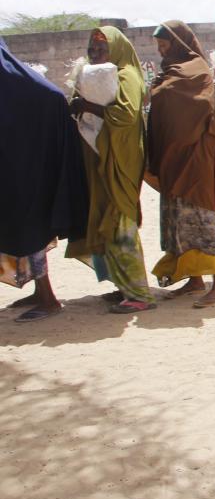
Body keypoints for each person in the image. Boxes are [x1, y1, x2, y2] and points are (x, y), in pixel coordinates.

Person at [66, 27, 156, 314]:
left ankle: (141, 293)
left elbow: (125, 115)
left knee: (121, 223)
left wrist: (87, 105)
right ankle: (123, 286)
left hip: (120, 159)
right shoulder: (98, 74)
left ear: (116, 49)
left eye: (101, 49)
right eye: (91, 49)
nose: (94, 54)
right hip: (103, 157)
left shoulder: (126, 75)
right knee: (108, 220)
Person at [1, 39, 88, 323]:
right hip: (18, 168)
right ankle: (41, 293)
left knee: (30, 230)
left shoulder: (15, 80)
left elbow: (50, 99)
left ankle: (48, 298)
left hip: (24, 171)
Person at [147, 21, 215, 308]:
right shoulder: (171, 71)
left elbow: (194, 104)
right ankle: (195, 279)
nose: (161, 51)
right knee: (179, 219)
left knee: (202, 217)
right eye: (158, 47)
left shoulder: (196, 69)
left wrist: (158, 92)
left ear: (178, 43)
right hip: (173, 155)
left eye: (165, 45)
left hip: (194, 156)